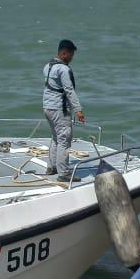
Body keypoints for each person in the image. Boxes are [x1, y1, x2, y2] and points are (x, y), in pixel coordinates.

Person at [42, 39, 85, 182]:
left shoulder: (48, 66)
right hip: (59, 109)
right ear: (64, 53)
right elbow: (69, 90)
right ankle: (64, 173)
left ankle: (52, 166)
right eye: (71, 54)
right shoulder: (64, 69)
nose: (72, 58)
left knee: (56, 138)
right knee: (64, 140)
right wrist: (78, 110)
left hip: (47, 107)